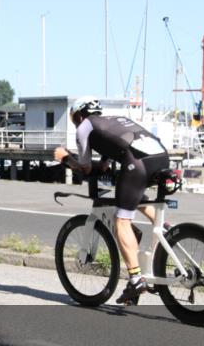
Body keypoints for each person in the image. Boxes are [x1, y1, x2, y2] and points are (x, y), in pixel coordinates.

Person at [53, 96, 170, 305]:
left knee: (121, 221)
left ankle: (135, 279)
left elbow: (86, 168)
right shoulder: (114, 121)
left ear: (79, 115)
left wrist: (65, 158)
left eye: (74, 120)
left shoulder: (84, 127)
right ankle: (167, 231)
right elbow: (105, 166)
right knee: (135, 196)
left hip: (138, 163)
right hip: (161, 157)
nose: (75, 124)